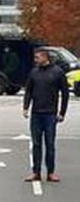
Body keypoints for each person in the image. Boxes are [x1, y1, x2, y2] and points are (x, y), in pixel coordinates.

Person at [23, 48, 69, 182]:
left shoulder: (58, 72)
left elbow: (65, 94)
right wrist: (26, 107)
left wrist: (62, 112)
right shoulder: (34, 72)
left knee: (50, 143)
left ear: (45, 57)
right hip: (36, 113)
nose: (35, 60)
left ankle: (51, 172)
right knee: (36, 144)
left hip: (50, 114)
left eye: (37, 57)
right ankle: (36, 172)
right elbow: (29, 91)